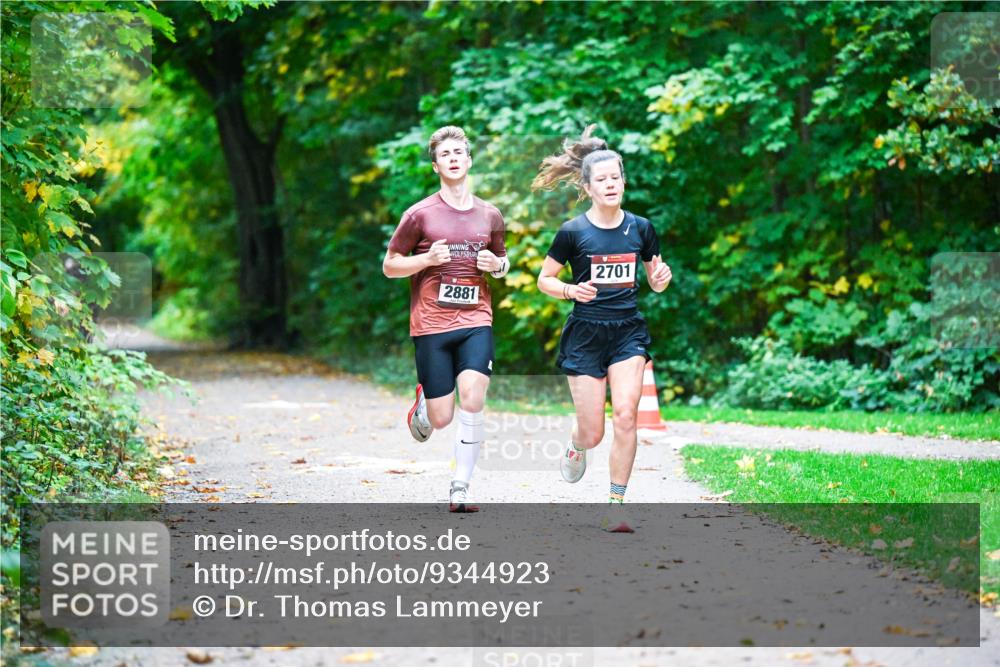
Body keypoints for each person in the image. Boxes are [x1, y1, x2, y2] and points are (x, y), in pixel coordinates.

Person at [532, 125, 672, 532]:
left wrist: (661, 279)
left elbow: (656, 278)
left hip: (628, 331)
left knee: (627, 415)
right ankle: (578, 444)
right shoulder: (573, 232)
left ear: (623, 183)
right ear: (589, 187)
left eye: (617, 178)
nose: (611, 185)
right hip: (586, 334)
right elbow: (544, 280)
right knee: (593, 432)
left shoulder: (641, 228)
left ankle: (616, 504)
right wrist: (571, 290)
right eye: (603, 180)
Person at [383, 126, 509, 512]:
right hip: (431, 324)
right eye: (446, 154)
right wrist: (426, 260)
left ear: (469, 161)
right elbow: (390, 266)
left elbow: (502, 261)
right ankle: (424, 401)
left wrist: (497, 265)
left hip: (476, 319)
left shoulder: (490, 214)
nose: (454, 158)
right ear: (436, 165)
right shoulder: (419, 215)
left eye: (460, 152)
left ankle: (460, 488)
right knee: (441, 419)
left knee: (473, 397)